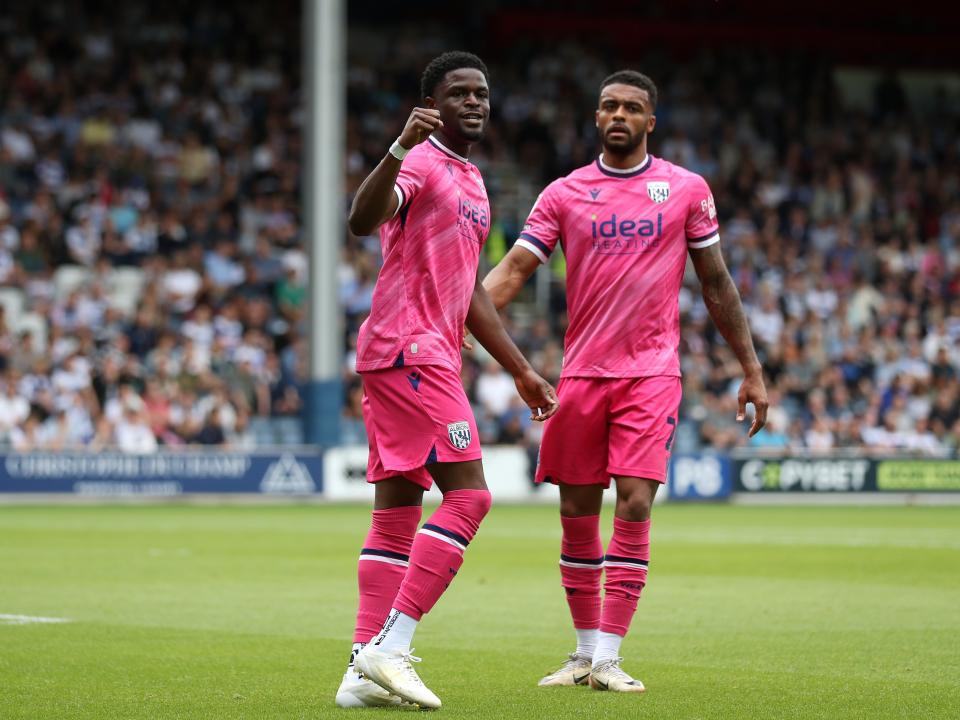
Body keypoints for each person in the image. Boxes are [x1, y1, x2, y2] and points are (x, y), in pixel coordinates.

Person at [482, 70, 768, 693]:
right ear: (595, 118)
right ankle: (584, 654)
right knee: (577, 513)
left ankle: (610, 656)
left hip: (651, 373)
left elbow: (715, 282)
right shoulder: (563, 193)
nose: (619, 115)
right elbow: (514, 270)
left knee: (635, 503)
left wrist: (751, 368)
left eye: (632, 108)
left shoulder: (686, 189)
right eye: (609, 105)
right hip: (581, 374)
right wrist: (453, 324)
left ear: (650, 122)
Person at [335, 51, 559, 710]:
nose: (476, 102)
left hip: (415, 351)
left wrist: (519, 368)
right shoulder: (422, 163)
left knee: (398, 511)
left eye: (483, 93)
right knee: (470, 498)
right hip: (409, 350)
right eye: (460, 93)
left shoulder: (476, 183)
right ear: (432, 102)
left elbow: (470, 295)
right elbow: (360, 219)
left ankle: (358, 674)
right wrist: (398, 147)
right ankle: (391, 645)